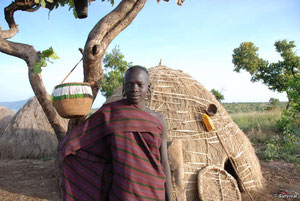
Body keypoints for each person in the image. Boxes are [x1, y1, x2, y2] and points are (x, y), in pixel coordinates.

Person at [59, 65, 172, 201]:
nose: (134, 89)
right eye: (129, 84)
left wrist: (169, 198)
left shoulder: (158, 119)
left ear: (148, 87)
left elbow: (164, 162)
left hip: (154, 191)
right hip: (122, 190)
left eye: (140, 84)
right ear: (123, 88)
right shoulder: (110, 114)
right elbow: (76, 141)